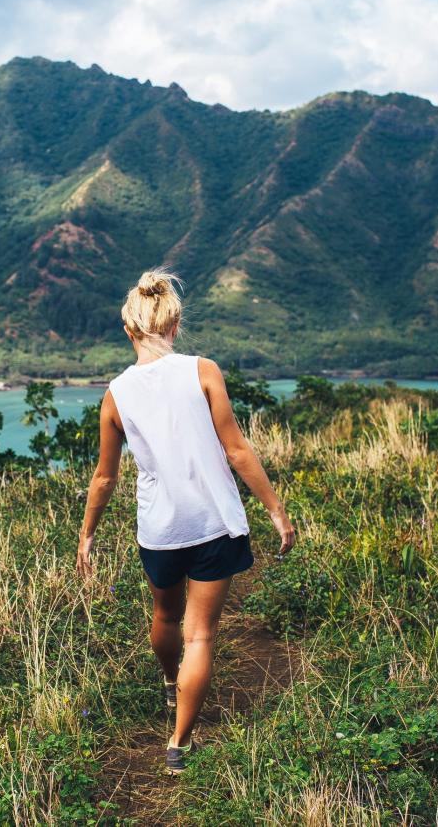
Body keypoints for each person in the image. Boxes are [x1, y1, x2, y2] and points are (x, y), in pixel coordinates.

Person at [75, 267, 297, 776]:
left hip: (160, 529)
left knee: (167, 619)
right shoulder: (203, 370)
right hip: (213, 522)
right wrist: (275, 511)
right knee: (201, 635)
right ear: (174, 327)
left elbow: (105, 478)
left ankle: (171, 683)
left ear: (129, 331)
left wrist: (87, 535)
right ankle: (178, 743)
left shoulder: (116, 393)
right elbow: (237, 450)